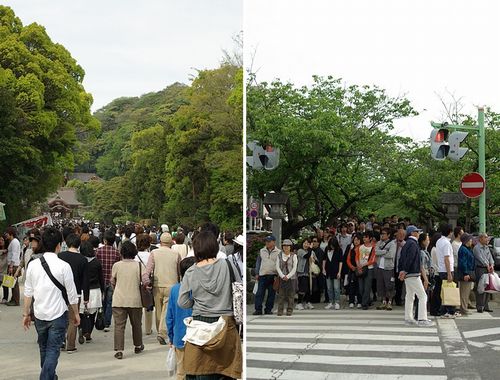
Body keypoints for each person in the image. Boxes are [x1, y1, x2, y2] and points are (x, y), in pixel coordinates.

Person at [178, 230, 242, 380]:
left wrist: (196, 302)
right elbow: (238, 288)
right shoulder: (228, 265)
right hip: (226, 323)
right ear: (215, 246)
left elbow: (182, 301)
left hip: (200, 326)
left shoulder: (191, 271)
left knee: (199, 369)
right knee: (225, 370)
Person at [22, 226, 80, 380]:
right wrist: (76, 313)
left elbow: (28, 292)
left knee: (44, 348)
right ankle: (46, 377)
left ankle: (49, 375)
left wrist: (26, 313)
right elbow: (72, 294)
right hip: (58, 313)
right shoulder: (64, 266)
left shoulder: (33, 265)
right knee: (53, 349)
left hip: (39, 314)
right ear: (59, 245)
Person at [143, 232, 181, 345]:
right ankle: (162, 332)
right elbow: (180, 271)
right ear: (171, 243)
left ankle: (161, 332)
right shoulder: (176, 254)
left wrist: (146, 282)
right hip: (172, 285)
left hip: (157, 285)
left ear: (160, 242)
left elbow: (148, 270)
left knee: (159, 311)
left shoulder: (154, 253)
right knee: (166, 310)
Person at [111, 241, 144, 360]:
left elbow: (112, 281)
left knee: (119, 326)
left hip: (119, 299)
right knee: (136, 324)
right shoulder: (138, 265)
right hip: (135, 298)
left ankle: (119, 350)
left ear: (122, 252)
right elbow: (145, 281)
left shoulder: (117, 265)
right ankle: (138, 345)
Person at [59, 233, 90, 353]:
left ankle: (61, 341)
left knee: (61, 318)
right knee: (73, 320)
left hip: (60, 292)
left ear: (66, 243)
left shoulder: (60, 256)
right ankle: (71, 345)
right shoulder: (82, 259)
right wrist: (86, 297)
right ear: (79, 244)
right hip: (75, 293)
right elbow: (85, 280)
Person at [166, 256, 196, 380]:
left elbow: (170, 316)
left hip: (180, 336)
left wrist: (171, 336)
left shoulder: (175, 289)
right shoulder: (199, 290)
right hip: (197, 336)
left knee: (181, 371)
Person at [398, 226, 434, 327]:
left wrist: (402, 271)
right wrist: (405, 271)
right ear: (412, 233)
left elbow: (401, 259)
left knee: (410, 296)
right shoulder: (413, 244)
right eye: (417, 232)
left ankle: (408, 318)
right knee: (422, 296)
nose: (418, 233)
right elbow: (410, 259)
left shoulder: (406, 244)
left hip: (408, 274)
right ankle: (422, 319)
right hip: (413, 273)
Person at [78, 240, 104, 343]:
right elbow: (101, 278)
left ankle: (80, 328)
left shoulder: (80, 262)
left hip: (82, 290)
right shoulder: (97, 262)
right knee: (92, 314)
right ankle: (88, 332)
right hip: (95, 290)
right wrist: (103, 291)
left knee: (80, 313)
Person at [96, 229, 121, 332]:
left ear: (104, 240)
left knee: (101, 301)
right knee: (109, 302)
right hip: (112, 280)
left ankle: (100, 320)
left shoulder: (98, 251)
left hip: (100, 280)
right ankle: (107, 323)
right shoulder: (117, 253)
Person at [253, 235, 280, 315]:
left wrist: (278, 275)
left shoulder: (278, 252)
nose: (267, 243)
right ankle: (258, 309)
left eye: (269, 241)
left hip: (273, 275)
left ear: (274, 242)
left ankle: (268, 309)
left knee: (271, 294)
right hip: (262, 275)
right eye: (266, 241)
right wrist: (257, 273)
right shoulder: (262, 251)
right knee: (259, 293)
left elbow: (280, 264)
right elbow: (258, 262)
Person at [435, 224, 457, 318]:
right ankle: (450, 311)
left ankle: (443, 310)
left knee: (444, 290)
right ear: (449, 232)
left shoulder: (439, 241)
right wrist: (449, 273)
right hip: (446, 269)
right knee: (449, 290)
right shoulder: (447, 243)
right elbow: (447, 259)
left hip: (441, 269)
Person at [134, 233, 154, 336]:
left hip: (137, 282)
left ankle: (138, 326)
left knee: (138, 307)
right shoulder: (151, 255)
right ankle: (148, 329)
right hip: (148, 282)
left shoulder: (135, 256)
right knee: (148, 306)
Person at [375, 227, 397, 310]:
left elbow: (391, 255)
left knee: (389, 285)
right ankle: (383, 302)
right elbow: (376, 252)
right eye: (381, 233)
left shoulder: (392, 244)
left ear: (388, 235)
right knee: (381, 285)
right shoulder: (378, 243)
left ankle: (390, 302)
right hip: (379, 267)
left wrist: (381, 253)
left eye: (384, 233)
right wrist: (385, 251)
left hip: (388, 268)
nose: (382, 235)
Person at [276, 239, 298, 316]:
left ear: (290, 247)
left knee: (291, 295)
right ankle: (280, 310)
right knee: (281, 295)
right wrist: (282, 276)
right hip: (282, 278)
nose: (286, 247)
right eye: (284, 245)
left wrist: (288, 276)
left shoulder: (294, 256)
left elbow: (294, 268)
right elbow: (277, 267)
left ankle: (289, 310)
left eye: (287, 246)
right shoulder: (279, 255)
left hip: (292, 278)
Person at [473, 233, 494, 313]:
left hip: (487, 269)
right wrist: (487, 265)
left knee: (488, 287)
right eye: (485, 237)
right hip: (480, 269)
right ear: (480, 239)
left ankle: (486, 305)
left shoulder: (487, 247)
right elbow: (480, 258)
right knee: (481, 287)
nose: (487, 239)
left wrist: (492, 265)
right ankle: (479, 306)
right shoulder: (476, 248)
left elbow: (490, 258)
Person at [355, 231, 376, 310]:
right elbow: (356, 257)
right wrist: (358, 266)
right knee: (361, 288)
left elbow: (373, 259)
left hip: (369, 269)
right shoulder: (360, 247)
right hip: (360, 268)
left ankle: (364, 304)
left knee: (367, 287)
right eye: (363, 237)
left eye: (366, 237)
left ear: (370, 238)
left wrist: (363, 265)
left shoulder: (373, 247)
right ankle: (368, 300)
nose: (364, 238)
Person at [323, 237, 343, 310]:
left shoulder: (339, 250)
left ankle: (337, 302)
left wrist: (339, 272)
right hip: (328, 271)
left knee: (336, 288)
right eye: (331, 245)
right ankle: (331, 302)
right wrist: (323, 269)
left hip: (336, 271)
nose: (332, 247)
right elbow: (324, 259)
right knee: (329, 288)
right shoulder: (326, 249)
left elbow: (341, 261)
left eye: (333, 245)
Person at [457, 234, 475, 316]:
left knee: (466, 292)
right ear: (466, 241)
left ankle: (464, 308)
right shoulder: (463, 249)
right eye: (470, 239)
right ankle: (463, 309)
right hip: (465, 273)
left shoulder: (466, 248)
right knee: (464, 292)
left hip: (467, 272)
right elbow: (463, 263)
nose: (471, 241)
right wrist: (466, 273)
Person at [5, 226, 21, 306]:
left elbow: (14, 254)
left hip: (14, 265)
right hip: (13, 264)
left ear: (11, 234)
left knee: (14, 283)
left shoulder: (14, 242)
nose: (6, 235)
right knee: (12, 283)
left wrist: (11, 266)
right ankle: (13, 299)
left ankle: (16, 301)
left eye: (7, 233)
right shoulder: (13, 241)